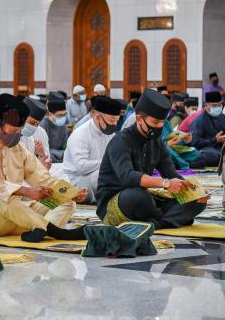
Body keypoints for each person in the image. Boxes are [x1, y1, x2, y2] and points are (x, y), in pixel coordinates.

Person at [0, 94, 87, 242]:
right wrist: (25, 191)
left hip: (15, 218)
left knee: (66, 201)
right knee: (7, 200)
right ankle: (56, 232)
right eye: (14, 131)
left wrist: (71, 192)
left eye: (19, 131)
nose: (19, 135)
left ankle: (40, 231)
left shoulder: (18, 149)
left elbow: (43, 178)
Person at [96, 89, 207, 229]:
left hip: (147, 198)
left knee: (197, 202)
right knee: (139, 196)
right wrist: (166, 183)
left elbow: (170, 173)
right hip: (118, 201)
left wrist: (193, 191)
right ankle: (171, 219)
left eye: (162, 122)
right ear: (139, 119)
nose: (159, 126)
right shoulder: (121, 140)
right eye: (155, 122)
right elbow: (127, 177)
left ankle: (158, 223)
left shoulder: (156, 142)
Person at [62, 96, 122, 203]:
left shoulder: (110, 134)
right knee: (103, 174)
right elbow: (82, 167)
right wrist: (107, 163)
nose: (115, 124)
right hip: (78, 179)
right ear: (98, 117)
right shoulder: (80, 134)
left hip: (98, 176)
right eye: (112, 120)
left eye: (117, 121)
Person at [189, 91, 225, 166]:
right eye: (214, 105)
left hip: (221, 149)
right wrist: (215, 139)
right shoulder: (199, 121)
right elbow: (195, 142)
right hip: (207, 150)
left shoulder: (222, 117)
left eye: (219, 105)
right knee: (211, 156)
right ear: (206, 105)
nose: (218, 108)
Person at [20, 97, 51, 170]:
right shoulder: (12, 131)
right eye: (32, 122)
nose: (34, 127)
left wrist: (42, 154)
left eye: (37, 124)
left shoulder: (41, 132)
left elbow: (46, 161)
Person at [40, 93, 68, 163]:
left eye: (64, 114)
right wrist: (60, 154)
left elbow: (66, 149)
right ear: (50, 114)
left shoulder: (63, 126)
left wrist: (57, 154)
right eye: (60, 115)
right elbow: (42, 152)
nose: (62, 117)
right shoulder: (42, 125)